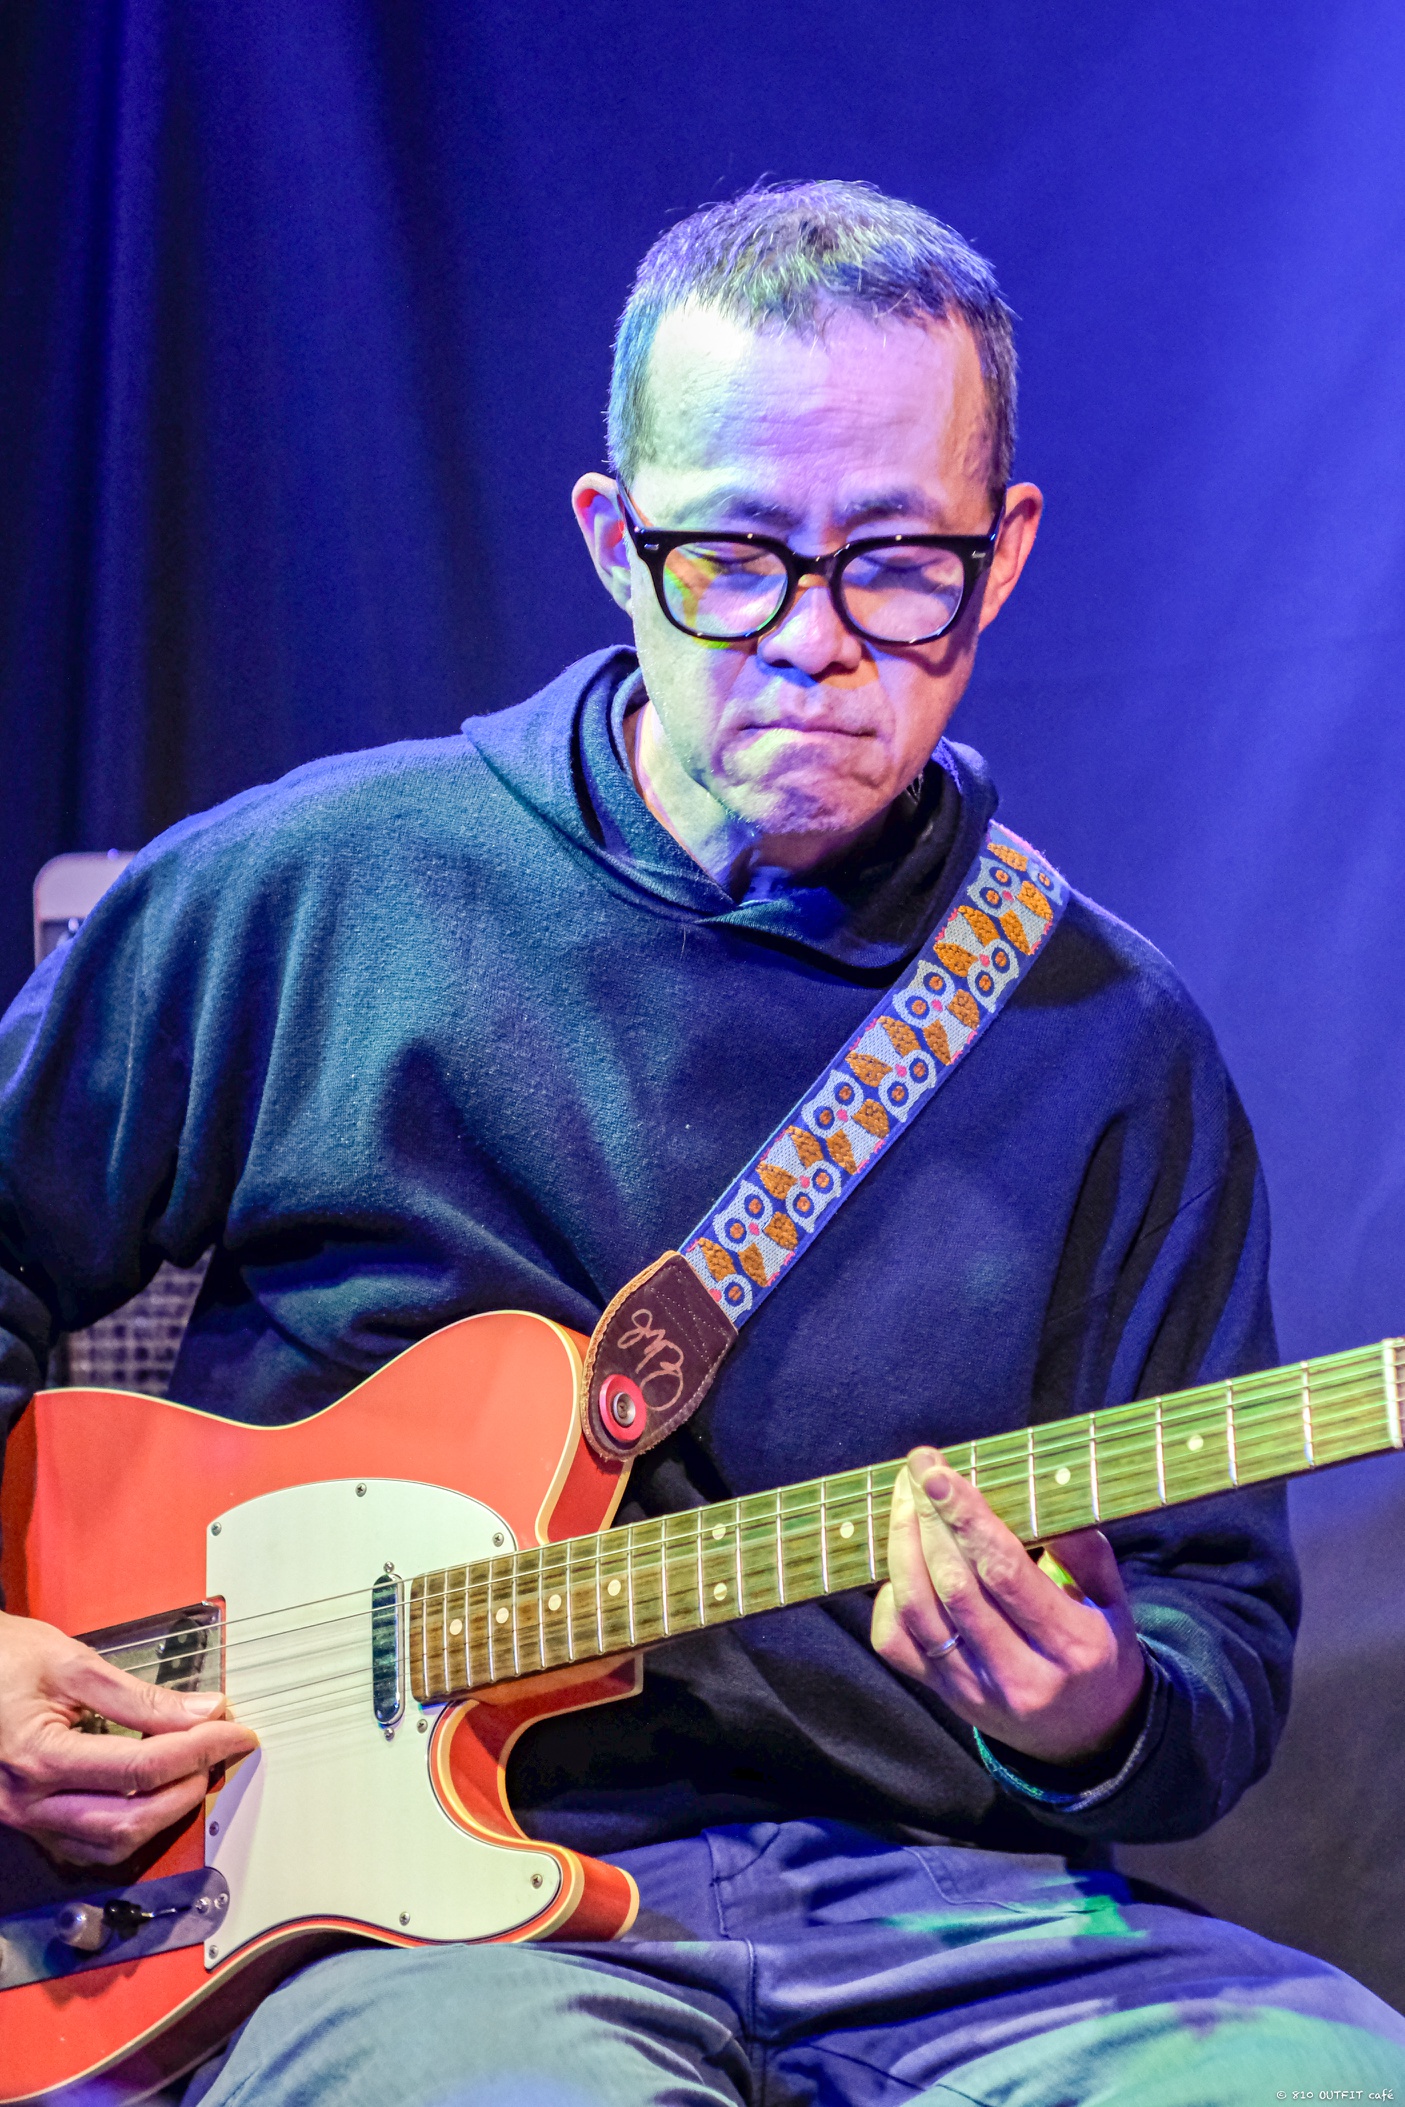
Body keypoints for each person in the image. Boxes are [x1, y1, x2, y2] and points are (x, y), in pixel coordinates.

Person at [0, 181, 1400, 2104]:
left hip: (947, 1921)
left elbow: (1209, 1635)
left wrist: (1094, 1705)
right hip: (397, 1940)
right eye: (733, 556)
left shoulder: (1111, 1043)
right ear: (614, 539)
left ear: (1000, 557)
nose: (812, 642)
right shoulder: (324, 886)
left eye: (895, 562)